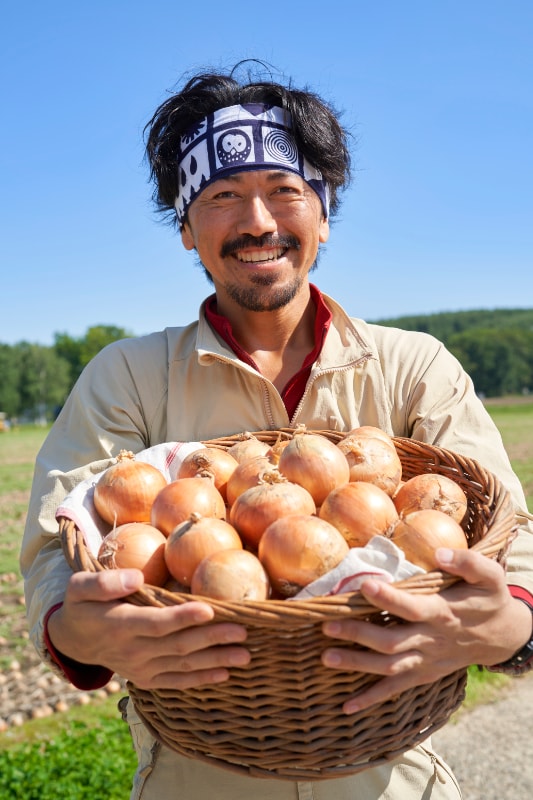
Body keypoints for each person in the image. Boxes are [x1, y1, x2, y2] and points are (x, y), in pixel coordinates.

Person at [21, 63, 533, 800]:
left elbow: (512, 538)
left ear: (322, 217)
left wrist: (509, 625)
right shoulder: (125, 374)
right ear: (187, 229)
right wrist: (76, 630)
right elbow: (51, 545)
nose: (257, 222)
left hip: (392, 775)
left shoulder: (413, 364)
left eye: (285, 192)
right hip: (193, 777)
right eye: (222, 196)